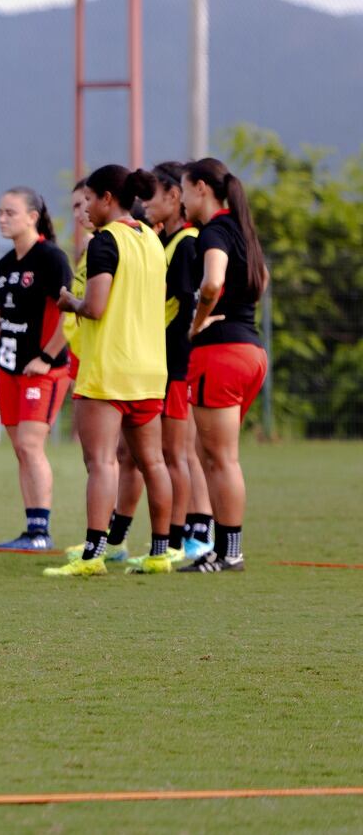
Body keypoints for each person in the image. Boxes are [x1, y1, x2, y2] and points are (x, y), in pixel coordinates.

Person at [44, 166, 173, 577]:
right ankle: (159, 553)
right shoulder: (150, 238)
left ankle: (93, 556)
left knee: (101, 463)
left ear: (106, 199)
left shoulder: (105, 241)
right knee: (153, 462)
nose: (85, 209)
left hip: (110, 369)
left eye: (89, 199)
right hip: (149, 370)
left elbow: (96, 307)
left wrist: (70, 302)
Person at [176, 156, 268, 573]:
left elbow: (212, 282)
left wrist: (198, 323)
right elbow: (262, 278)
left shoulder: (214, 231)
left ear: (201, 188)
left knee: (220, 457)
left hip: (222, 354)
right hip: (249, 351)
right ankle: (222, 549)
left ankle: (230, 552)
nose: (182, 200)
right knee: (209, 453)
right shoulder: (240, 227)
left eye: (184, 190)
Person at [0, 188, 73, 552]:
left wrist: (47, 357)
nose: (2, 219)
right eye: (0, 212)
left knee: (31, 444)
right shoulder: (6, 264)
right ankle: (31, 528)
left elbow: (70, 314)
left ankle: (41, 532)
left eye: (10, 212)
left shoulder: (51, 258)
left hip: (43, 371)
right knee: (21, 448)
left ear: (33, 217)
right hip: (9, 370)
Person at [144, 163, 214, 560]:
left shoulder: (187, 244)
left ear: (175, 197)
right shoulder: (166, 241)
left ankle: (184, 536)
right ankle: (187, 532)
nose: (145, 204)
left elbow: (183, 306)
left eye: (151, 196)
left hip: (176, 363)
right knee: (178, 452)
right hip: (166, 362)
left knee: (179, 452)